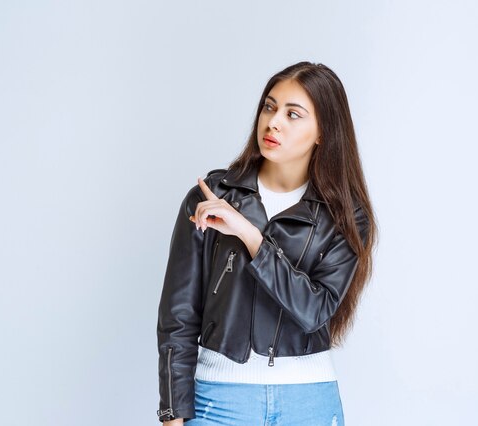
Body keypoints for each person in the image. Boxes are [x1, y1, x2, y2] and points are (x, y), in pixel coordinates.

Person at [156, 61, 377, 425]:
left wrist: (250, 235)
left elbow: (314, 310)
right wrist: (172, 414)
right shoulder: (209, 199)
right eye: (270, 107)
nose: (273, 122)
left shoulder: (346, 218)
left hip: (308, 402)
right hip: (219, 401)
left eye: (294, 114)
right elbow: (177, 318)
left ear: (323, 132)